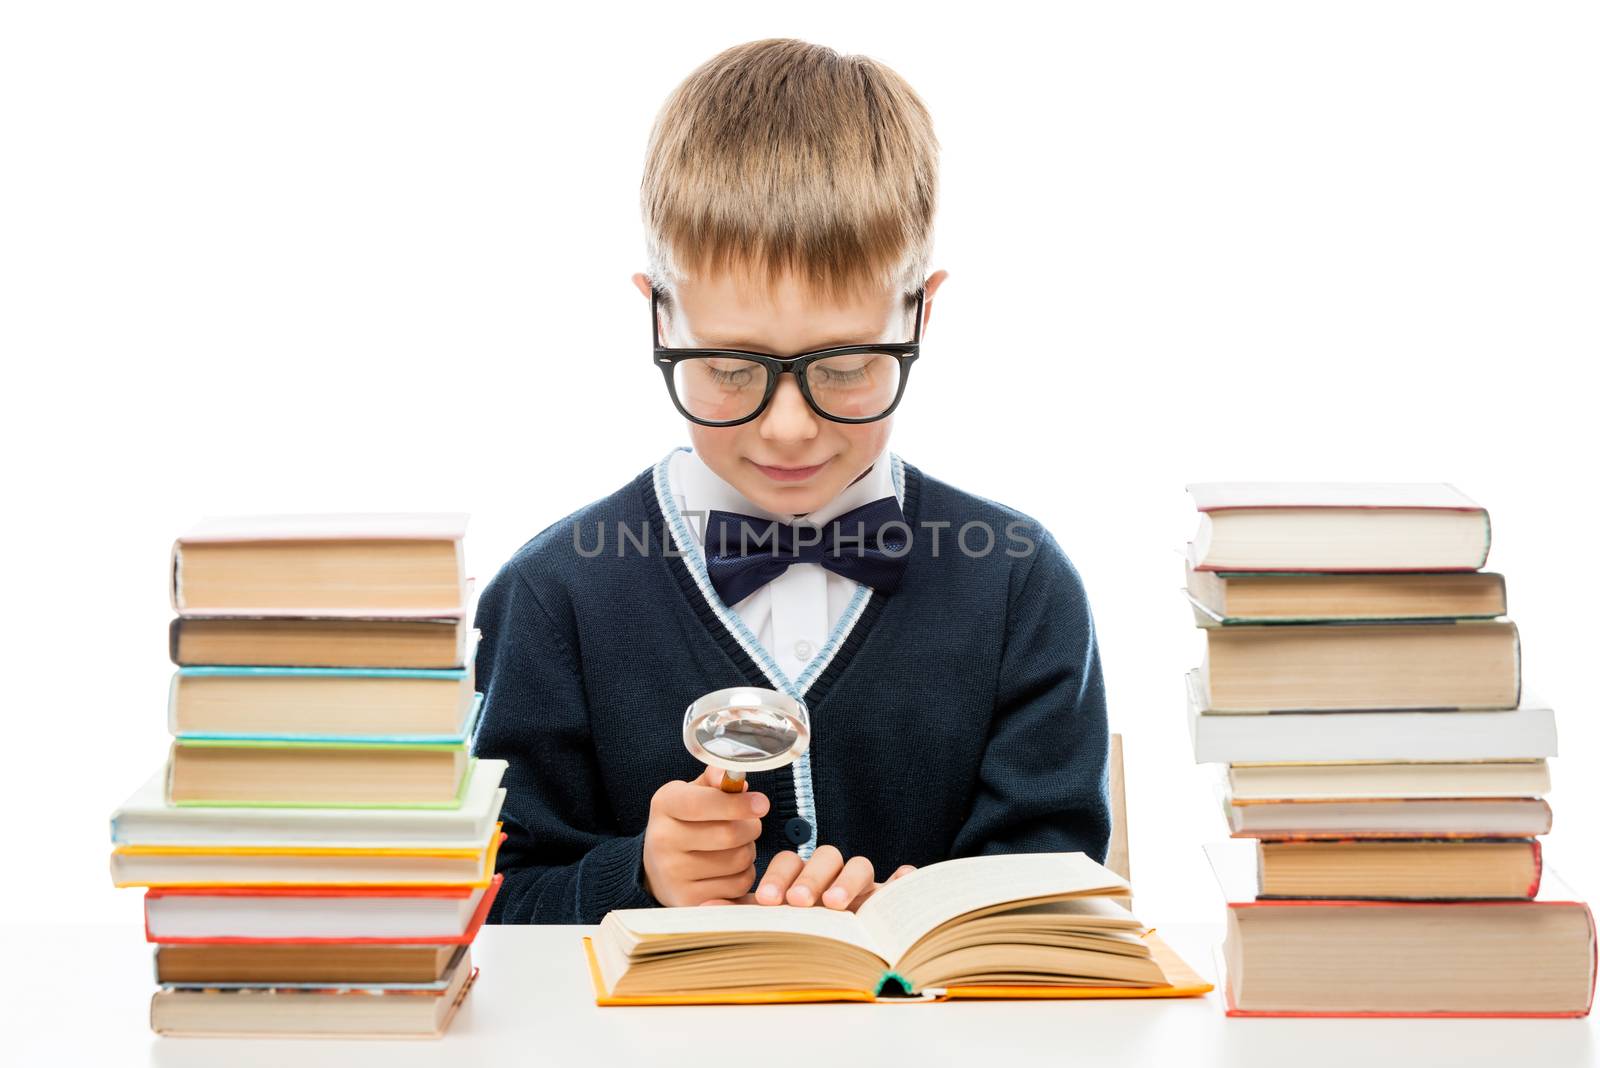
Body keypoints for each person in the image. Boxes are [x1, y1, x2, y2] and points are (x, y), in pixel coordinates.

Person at [473, 38, 1109, 924]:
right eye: (730, 368)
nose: (788, 427)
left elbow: (1059, 891)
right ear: (658, 317)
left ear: (922, 310)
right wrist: (640, 875)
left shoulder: (1019, 582)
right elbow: (482, 912)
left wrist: (933, 914)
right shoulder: (552, 593)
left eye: (848, 367)